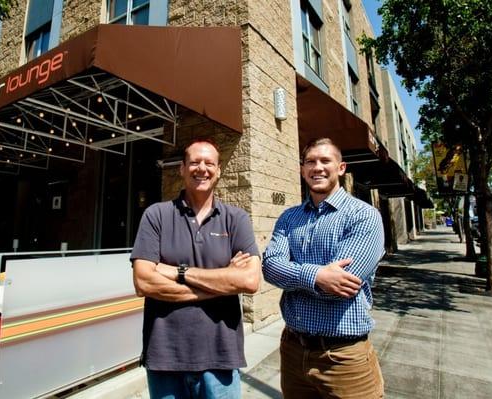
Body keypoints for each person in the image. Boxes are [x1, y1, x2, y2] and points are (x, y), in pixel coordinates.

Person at [131, 138, 261, 399]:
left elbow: (249, 281)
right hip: (165, 356)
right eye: (194, 162)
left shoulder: (237, 219)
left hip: (220, 356)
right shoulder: (156, 215)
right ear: (181, 168)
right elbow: (144, 282)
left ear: (219, 170)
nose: (202, 168)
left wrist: (177, 272)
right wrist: (222, 283)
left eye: (209, 163)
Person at [263, 138, 385, 398]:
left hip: (343, 359)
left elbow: (341, 286)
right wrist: (318, 275)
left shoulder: (363, 215)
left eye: (325, 161)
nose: (317, 167)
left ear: (341, 168)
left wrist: (293, 275)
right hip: (293, 351)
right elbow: (270, 268)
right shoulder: (289, 218)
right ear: (302, 169)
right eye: (310, 162)